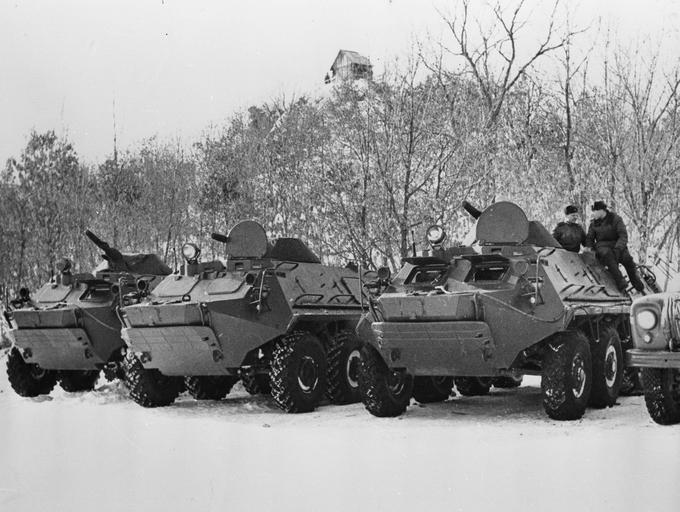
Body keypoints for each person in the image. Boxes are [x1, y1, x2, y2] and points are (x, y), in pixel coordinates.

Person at [584, 201, 645, 293]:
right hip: (602, 246)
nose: (593, 214)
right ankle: (621, 282)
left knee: (628, 260)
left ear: (601, 210)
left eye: (595, 211)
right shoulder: (593, 224)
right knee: (609, 258)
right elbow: (590, 237)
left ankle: (637, 284)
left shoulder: (616, 219)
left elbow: (623, 235)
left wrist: (618, 249)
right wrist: (589, 247)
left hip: (617, 245)